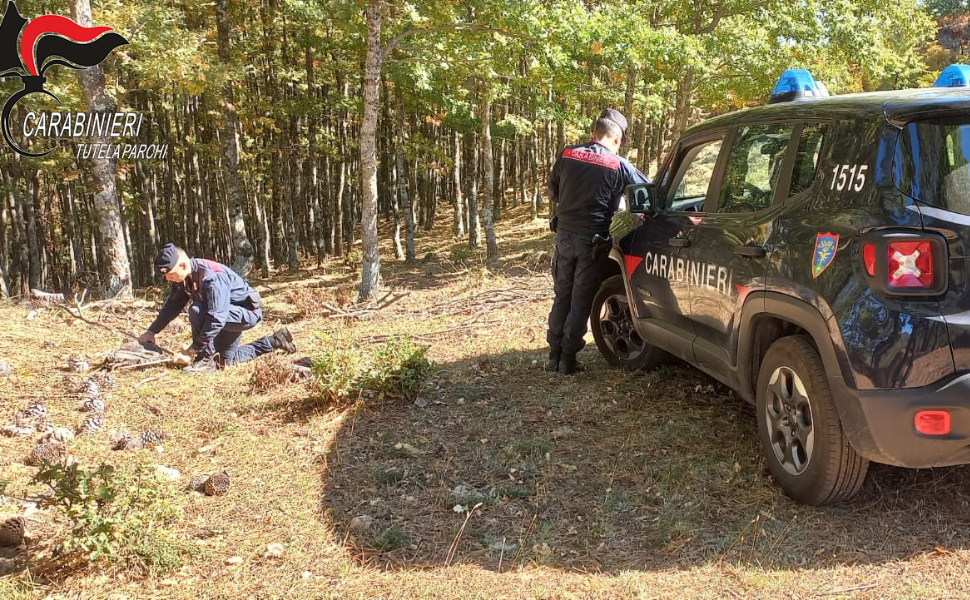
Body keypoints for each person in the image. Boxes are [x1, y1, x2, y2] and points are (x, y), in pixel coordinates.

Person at [546, 109, 648, 375]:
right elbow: (648, 194)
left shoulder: (567, 154)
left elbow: (554, 191)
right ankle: (568, 359)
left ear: (593, 134)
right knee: (580, 300)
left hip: (564, 237)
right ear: (619, 140)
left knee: (562, 297)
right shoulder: (619, 165)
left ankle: (554, 354)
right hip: (593, 242)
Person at [139, 243, 296, 374]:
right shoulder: (184, 277)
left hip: (245, 314)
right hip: (225, 315)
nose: (168, 278)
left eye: (170, 274)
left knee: (196, 310)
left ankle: (204, 360)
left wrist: (192, 351)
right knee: (223, 362)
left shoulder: (210, 277)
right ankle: (274, 341)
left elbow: (216, 318)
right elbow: (173, 305)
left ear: (183, 265)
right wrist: (151, 331)